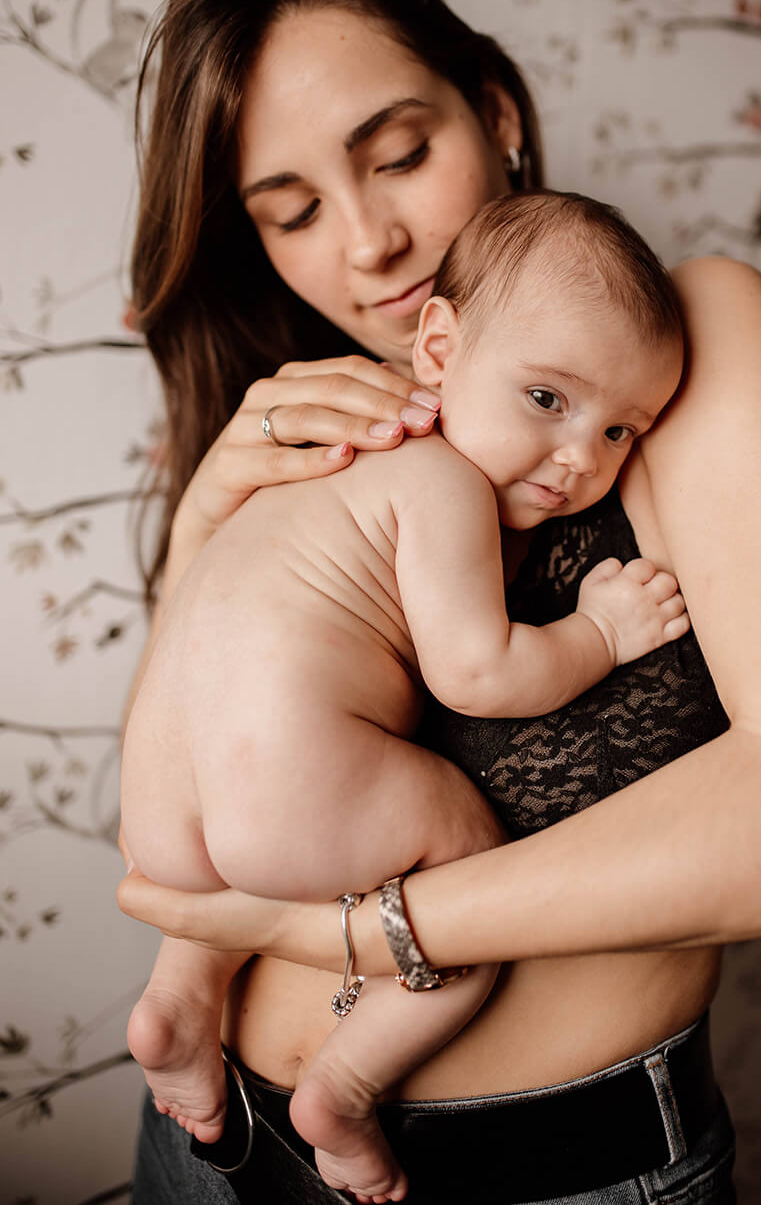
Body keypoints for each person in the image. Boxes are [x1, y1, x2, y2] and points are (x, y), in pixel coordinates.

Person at [117, 0, 761, 1205]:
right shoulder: (314, 415)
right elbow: (187, 793)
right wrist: (198, 539)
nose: (366, 242)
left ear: (496, 113)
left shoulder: (682, 344)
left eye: (397, 155)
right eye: (289, 212)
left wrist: (352, 932)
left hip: (548, 1177)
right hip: (203, 1147)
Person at [121, 190, 690, 1204]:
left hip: (160, 801)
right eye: (548, 400)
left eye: (620, 432)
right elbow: (475, 673)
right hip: (285, 794)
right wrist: (599, 632)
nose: (579, 460)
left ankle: (176, 997)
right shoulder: (441, 482)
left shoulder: (325, 459)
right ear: (438, 347)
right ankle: (344, 1087)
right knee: (461, 882)